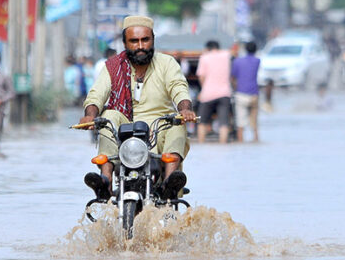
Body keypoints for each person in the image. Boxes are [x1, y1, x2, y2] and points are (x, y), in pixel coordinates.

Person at [77, 15, 197, 200]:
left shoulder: (167, 63)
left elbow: (179, 89)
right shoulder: (113, 66)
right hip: (126, 129)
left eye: (145, 40)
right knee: (108, 114)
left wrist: (185, 109)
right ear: (125, 44)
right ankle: (105, 181)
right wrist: (89, 115)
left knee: (177, 121)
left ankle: (170, 183)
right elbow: (96, 95)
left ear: (153, 40)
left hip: (160, 127)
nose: (140, 46)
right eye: (134, 41)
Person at [196, 40, 232, 144]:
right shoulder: (226, 55)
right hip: (224, 93)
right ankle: (223, 144)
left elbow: (201, 76)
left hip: (208, 94)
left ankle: (201, 143)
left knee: (202, 122)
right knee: (224, 123)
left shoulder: (204, 57)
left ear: (207, 48)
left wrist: (204, 88)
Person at [230, 41, 260, 142]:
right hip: (254, 95)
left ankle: (240, 143)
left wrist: (235, 88)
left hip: (240, 94)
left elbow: (233, 78)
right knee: (254, 123)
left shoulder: (237, 61)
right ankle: (256, 139)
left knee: (240, 124)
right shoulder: (257, 61)